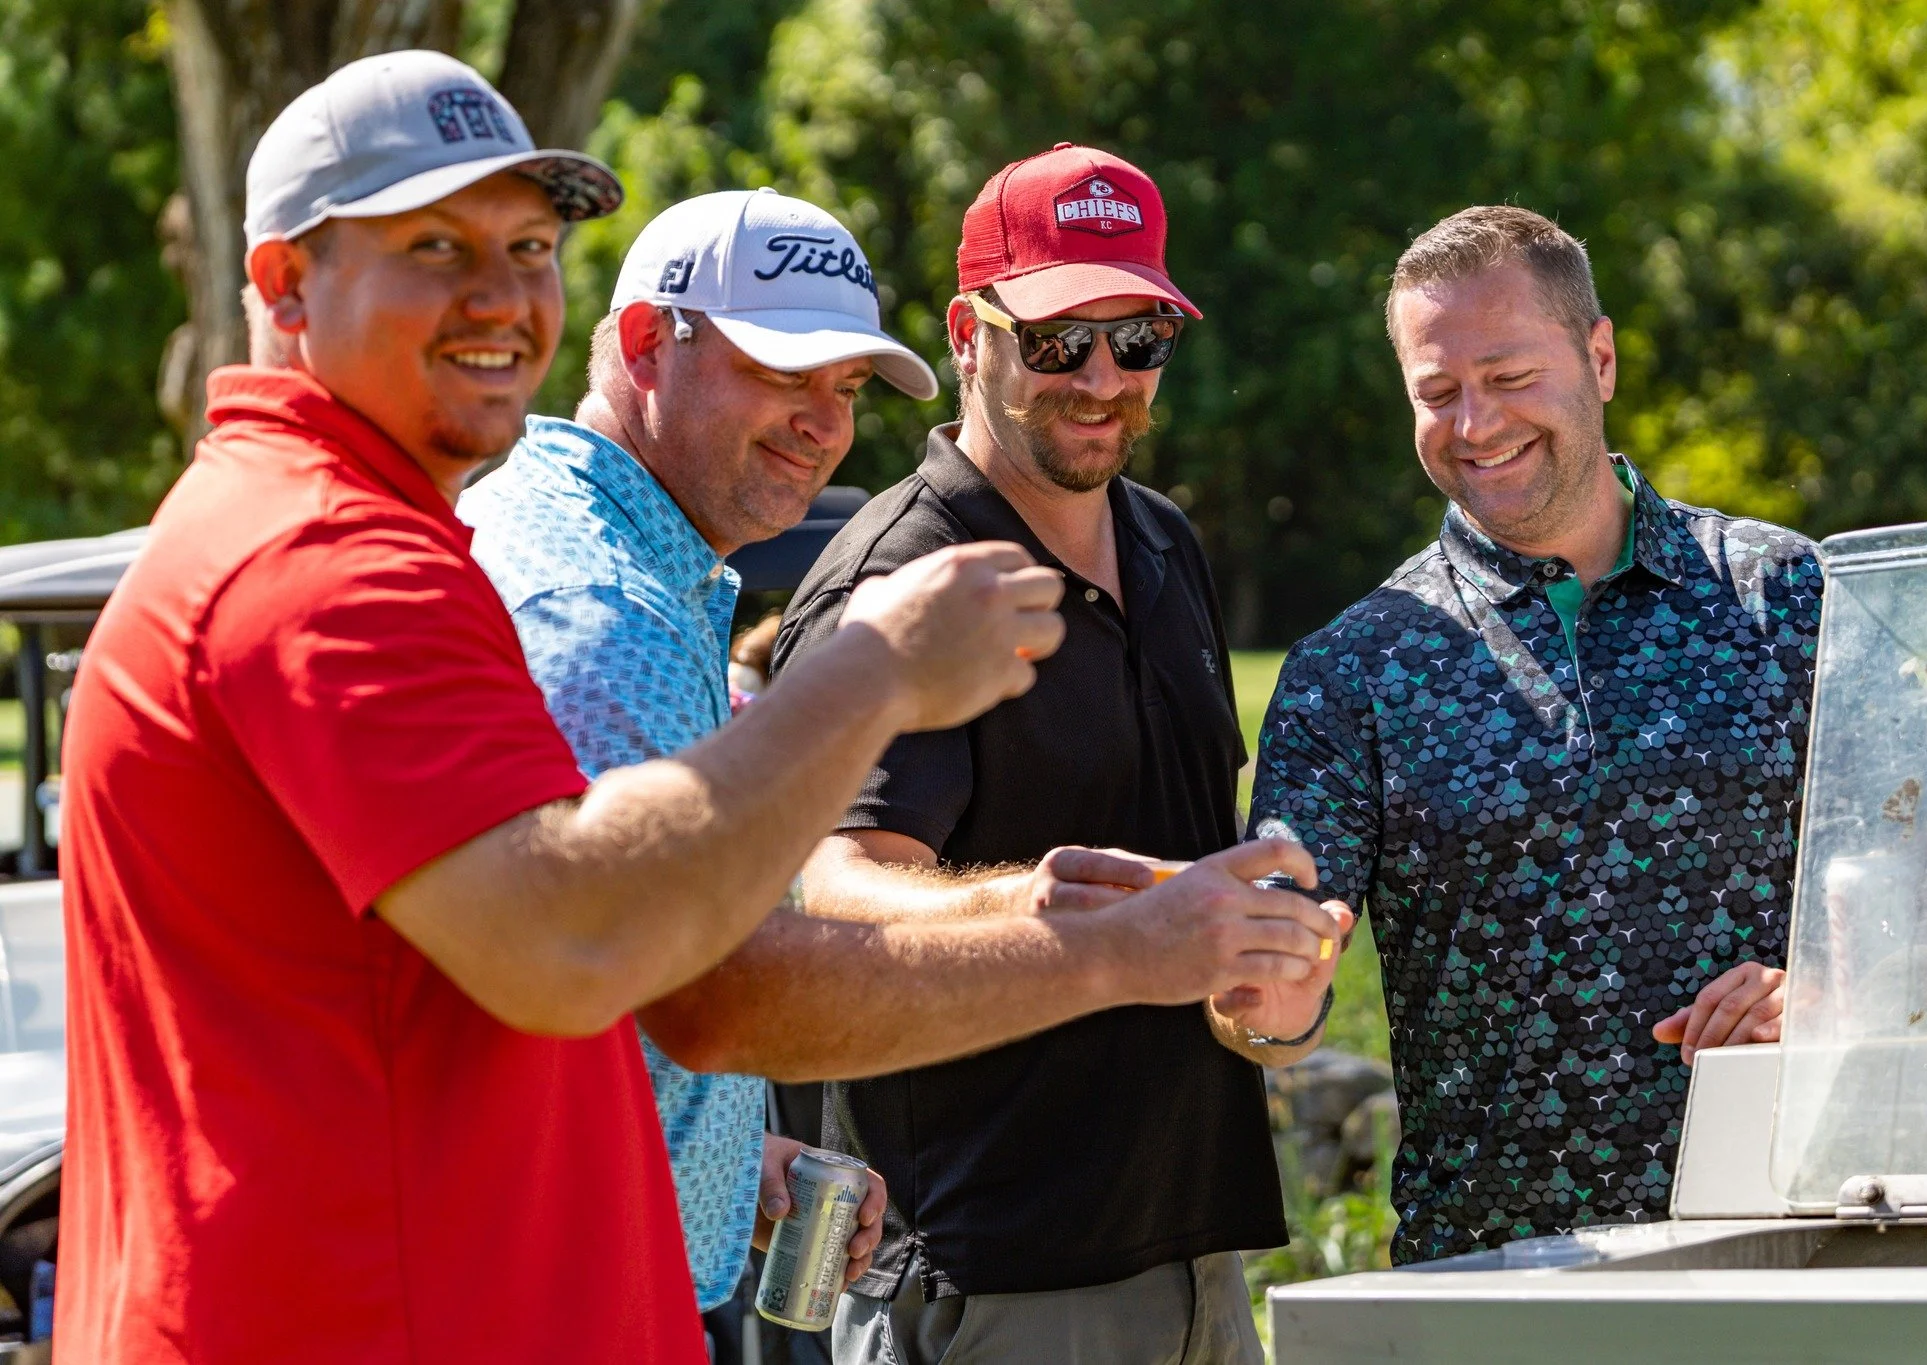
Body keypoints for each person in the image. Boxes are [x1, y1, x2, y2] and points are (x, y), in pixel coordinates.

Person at [55, 52, 1073, 1365]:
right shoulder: (330, 563)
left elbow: (461, 994)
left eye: (529, 244)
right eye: (433, 245)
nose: (499, 295)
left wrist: (715, 1145)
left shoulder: (347, 528)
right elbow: (585, 941)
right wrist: (869, 671)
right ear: (283, 282)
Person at [460, 188, 1346, 1323]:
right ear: (644, 345)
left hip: (1148, 1231)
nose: (821, 423)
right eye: (783, 374)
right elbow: (718, 986)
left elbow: (602, 969)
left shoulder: (659, 572)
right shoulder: (605, 604)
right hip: (617, 1291)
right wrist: (1106, 942)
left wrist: (736, 1154)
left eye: (841, 388)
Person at [777, 144, 1350, 1365]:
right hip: (998, 1275)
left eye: (1136, 340)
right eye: (1054, 340)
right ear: (965, 334)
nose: (1100, 379)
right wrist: (1033, 907)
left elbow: (1187, 888)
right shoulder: (901, 574)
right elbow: (826, 888)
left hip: (1196, 1249)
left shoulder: (1160, 542)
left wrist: (1265, 965)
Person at [1248, 204, 1824, 1265]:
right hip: (1495, 1277)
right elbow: (1271, 985)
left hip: (1793, 1242)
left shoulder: (1784, 594)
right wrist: (1267, 1001)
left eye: (1508, 378)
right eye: (1436, 393)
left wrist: (1835, 989)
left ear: (1597, 359)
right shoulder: (1354, 669)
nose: (1473, 424)